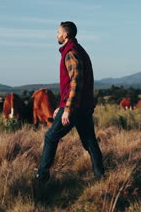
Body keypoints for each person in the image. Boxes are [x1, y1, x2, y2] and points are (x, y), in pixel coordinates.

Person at [36, 21, 105, 183]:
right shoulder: (77, 50)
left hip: (75, 107)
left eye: (58, 32)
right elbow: (69, 85)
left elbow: (76, 82)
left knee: (50, 137)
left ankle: (42, 177)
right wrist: (61, 106)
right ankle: (100, 177)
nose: (57, 35)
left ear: (65, 35)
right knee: (89, 142)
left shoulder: (71, 53)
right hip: (82, 105)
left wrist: (67, 109)